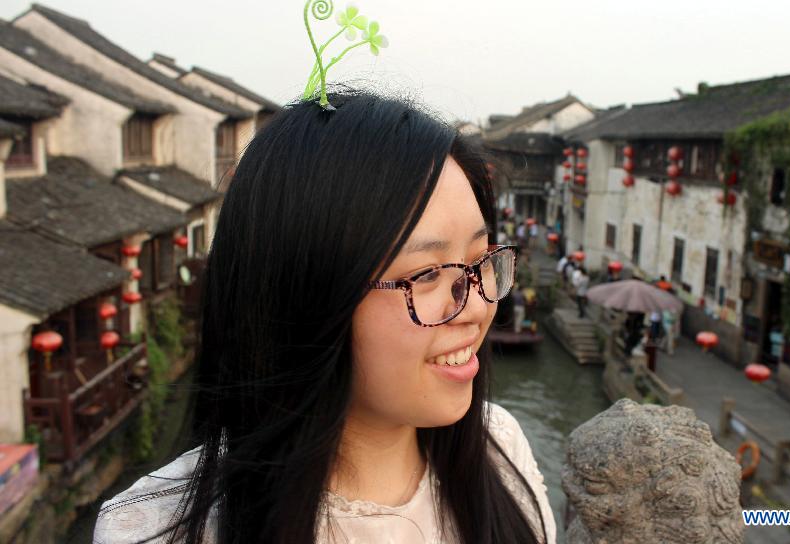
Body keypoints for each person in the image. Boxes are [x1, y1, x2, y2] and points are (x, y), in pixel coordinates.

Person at [93, 91, 555, 543]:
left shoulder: (499, 449)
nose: (477, 306)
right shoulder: (155, 529)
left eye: (480, 260)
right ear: (307, 294)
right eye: (428, 274)